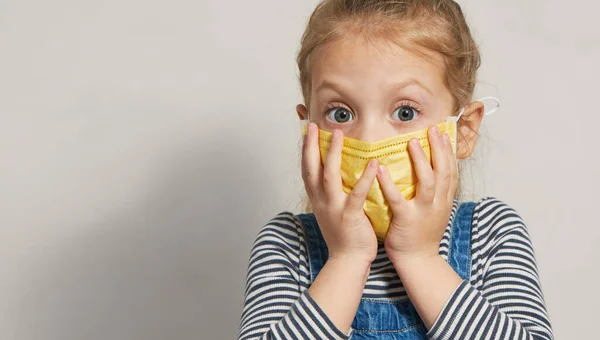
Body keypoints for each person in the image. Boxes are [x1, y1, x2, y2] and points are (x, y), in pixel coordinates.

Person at [238, 0, 553, 339]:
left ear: (463, 131)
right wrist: (347, 259)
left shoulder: (491, 233)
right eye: (341, 114)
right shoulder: (287, 244)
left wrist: (419, 257)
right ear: (308, 131)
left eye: (405, 113)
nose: (370, 141)